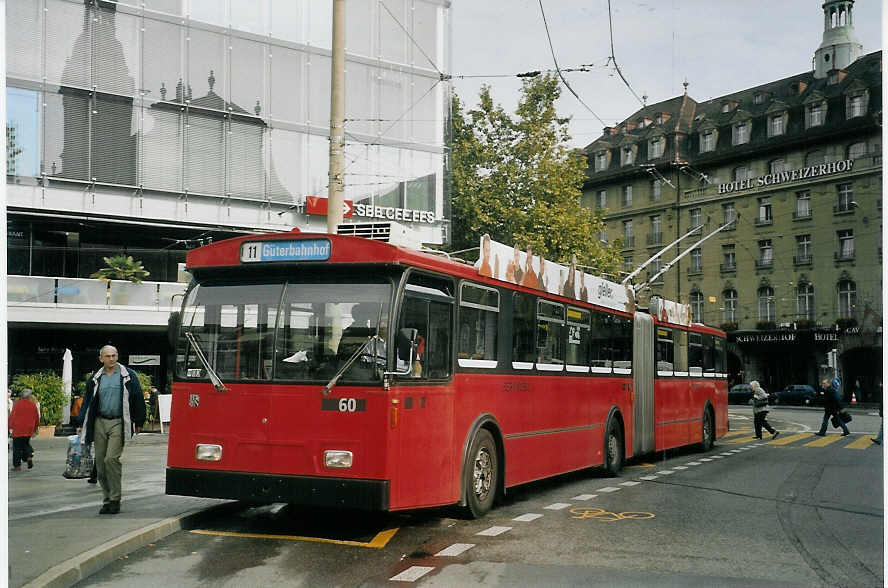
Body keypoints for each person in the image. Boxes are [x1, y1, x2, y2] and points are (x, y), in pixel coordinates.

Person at [78, 345, 145, 515]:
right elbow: (87, 401)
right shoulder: (96, 378)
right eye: (107, 356)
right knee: (100, 464)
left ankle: (115, 499)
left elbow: (137, 397)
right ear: (101, 358)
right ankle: (107, 499)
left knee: (111, 460)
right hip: (100, 422)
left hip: (118, 422)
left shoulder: (128, 376)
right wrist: (80, 423)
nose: (111, 359)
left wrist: (139, 420)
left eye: (114, 355)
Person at [8, 389, 40, 471]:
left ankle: (17, 466)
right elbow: (36, 418)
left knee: (17, 448)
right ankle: (29, 456)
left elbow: (12, 416)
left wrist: (9, 427)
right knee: (26, 443)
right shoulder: (33, 405)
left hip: (18, 428)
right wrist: (35, 428)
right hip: (29, 429)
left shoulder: (17, 404)